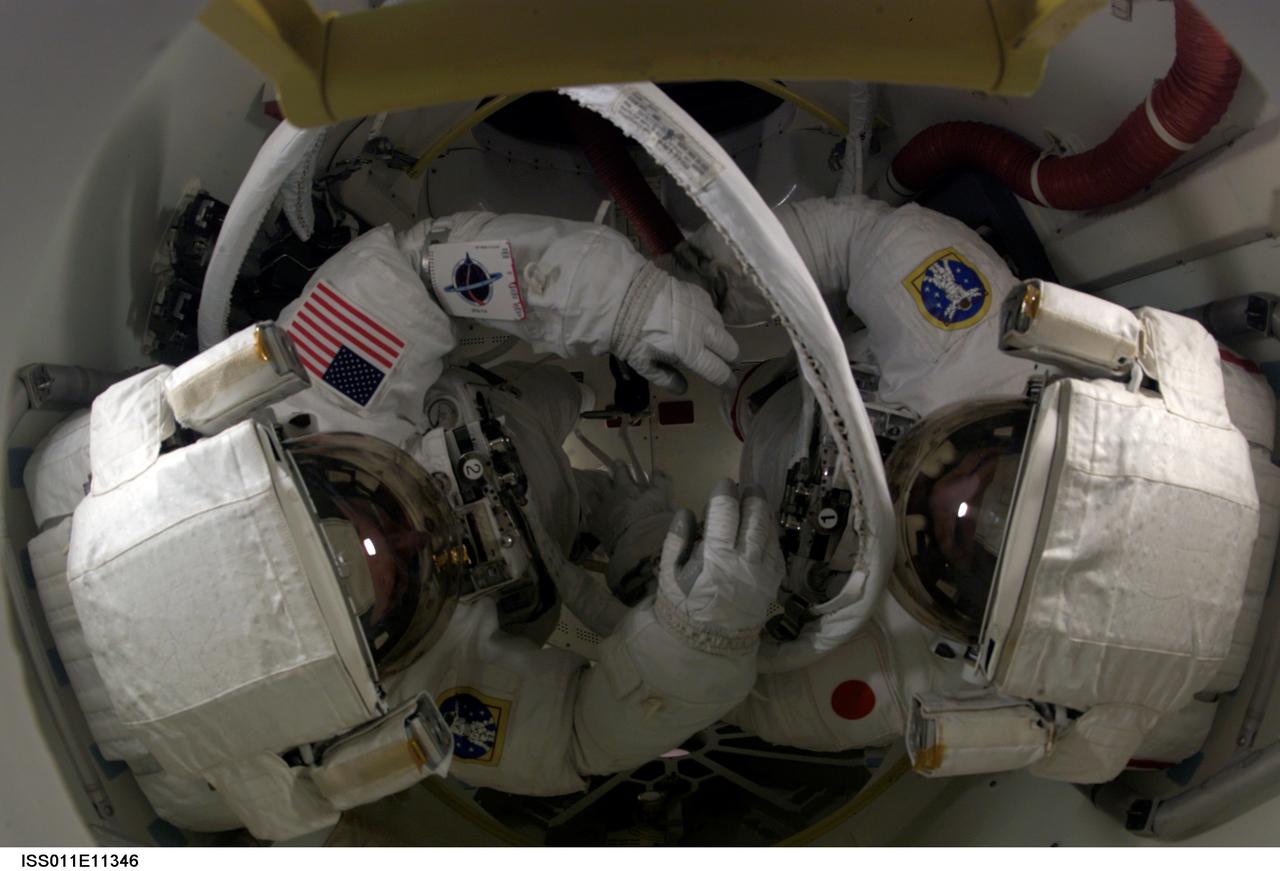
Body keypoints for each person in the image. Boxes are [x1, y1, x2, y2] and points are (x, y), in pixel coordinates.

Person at [22, 210, 785, 838]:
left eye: (371, 520)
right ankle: (607, 468)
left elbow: (417, 274)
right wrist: (702, 638)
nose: (423, 534)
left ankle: (587, 403)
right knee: (600, 478)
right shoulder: (420, 694)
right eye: (400, 574)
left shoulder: (329, 398)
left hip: (487, 400)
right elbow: (577, 733)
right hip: (556, 519)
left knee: (562, 394)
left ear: (313, 475)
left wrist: (617, 302)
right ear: (377, 654)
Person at [680, 194, 1267, 781]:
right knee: (750, 387)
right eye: (994, 478)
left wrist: (661, 579)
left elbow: (736, 697)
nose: (942, 497)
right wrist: (701, 288)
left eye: (967, 548)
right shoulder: (973, 346)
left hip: (743, 530)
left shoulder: (909, 665)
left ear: (978, 622)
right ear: (1026, 422)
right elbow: (856, 237)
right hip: (787, 385)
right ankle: (747, 394)